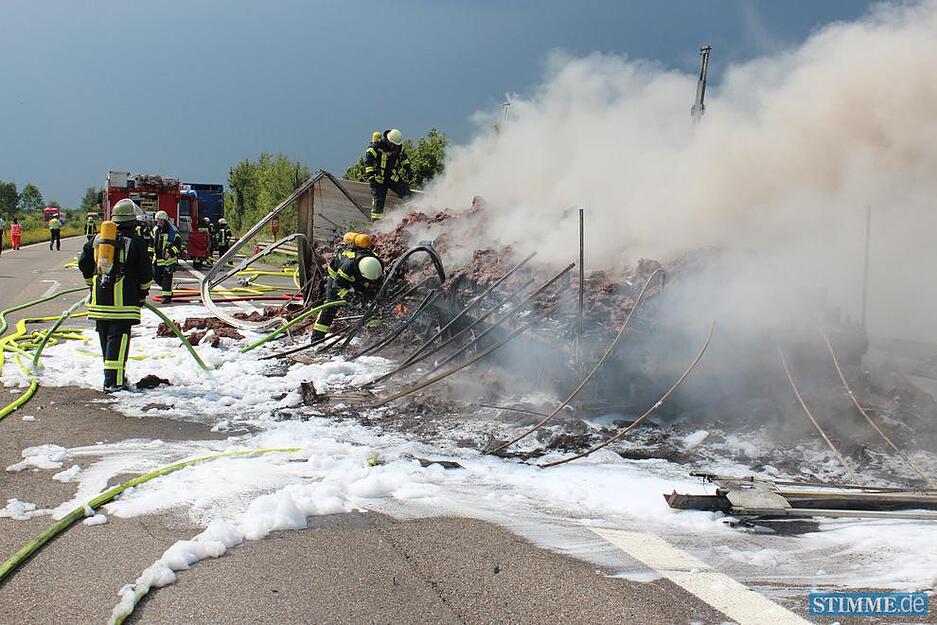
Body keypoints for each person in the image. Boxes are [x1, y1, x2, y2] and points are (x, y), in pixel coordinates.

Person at [77, 199, 153, 392]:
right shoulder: (135, 242)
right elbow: (145, 272)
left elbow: (84, 263)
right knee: (118, 343)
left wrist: (91, 285)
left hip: (100, 302)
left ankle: (112, 378)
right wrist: (142, 293)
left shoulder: (97, 239)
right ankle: (114, 383)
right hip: (123, 303)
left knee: (107, 342)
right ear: (132, 221)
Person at [310, 238, 384, 342]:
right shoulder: (347, 266)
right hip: (336, 276)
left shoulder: (377, 264)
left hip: (358, 276)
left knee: (370, 301)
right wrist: (350, 297)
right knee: (331, 306)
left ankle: (373, 333)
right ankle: (316, 338)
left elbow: (377, 282)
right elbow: (337, 286)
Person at [364, 128, 413, 221]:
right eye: (394, 145)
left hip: (391, 175)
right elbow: (368, 162)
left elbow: (403, 158)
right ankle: (376, 224)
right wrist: (370, 176)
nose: (395, 147)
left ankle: (410, 215)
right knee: (378, 201)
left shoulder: (398, 147)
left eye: (397, 145)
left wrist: (408, 169)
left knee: (405, 192)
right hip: (378, 178)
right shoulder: (376, 147)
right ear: (389, 141)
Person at [149, 210, 181, 303]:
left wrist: (170, 252)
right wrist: (150, 255)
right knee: (156, 276)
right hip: (157, 260)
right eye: (157, 221)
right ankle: (166, 289)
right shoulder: (155, 230)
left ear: (164, 221)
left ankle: (167, 297)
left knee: (167, 279)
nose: (158, 223)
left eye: (160, 221)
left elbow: (178, 245)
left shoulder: (173, 232)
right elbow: (151, 244)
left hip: (169, 261)